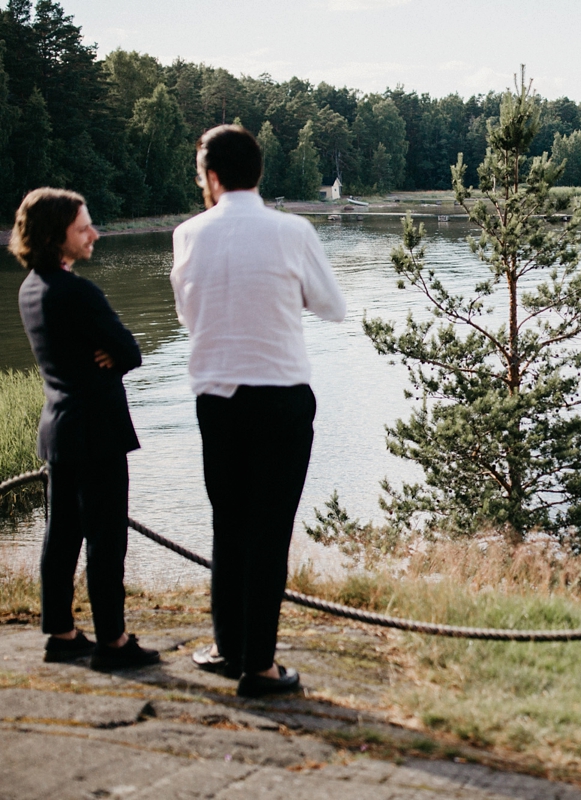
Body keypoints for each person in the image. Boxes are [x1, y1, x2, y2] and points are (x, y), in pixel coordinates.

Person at [172, 125, 346, 698]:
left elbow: (185, 315)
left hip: (215, 398)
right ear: (260, 173)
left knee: (229, 524)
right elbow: (332, 307)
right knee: (269, 531)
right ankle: (260, 667)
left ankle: (227, 647)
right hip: (279, 397)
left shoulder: (187, 234)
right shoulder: (292, 231)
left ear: (211, 177)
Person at [12, 188, 160, 671]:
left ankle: (61, 633)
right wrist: (113, 356)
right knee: (105, 539)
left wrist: (107, 355)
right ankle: (113, 643)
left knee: (61, 536)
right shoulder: (77, 291)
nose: (94, 233)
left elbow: (102, 351)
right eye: (83, 228)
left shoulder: (31, 288)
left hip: (58, 426)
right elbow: (131, 352)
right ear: (58, 237)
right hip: (96, 430)